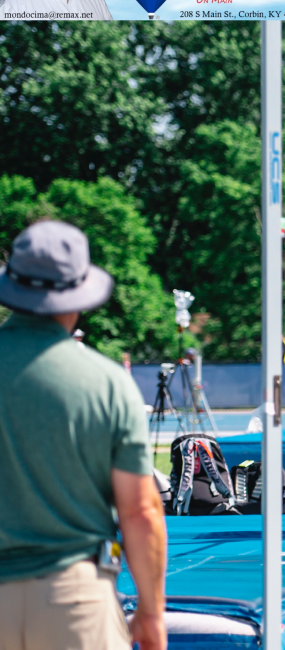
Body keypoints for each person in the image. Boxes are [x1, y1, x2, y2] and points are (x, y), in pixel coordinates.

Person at [0, 221, 166, 650]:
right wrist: (150, 612)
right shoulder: (106, 383)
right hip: (74, 599)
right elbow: (140, 511)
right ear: (78, 295)